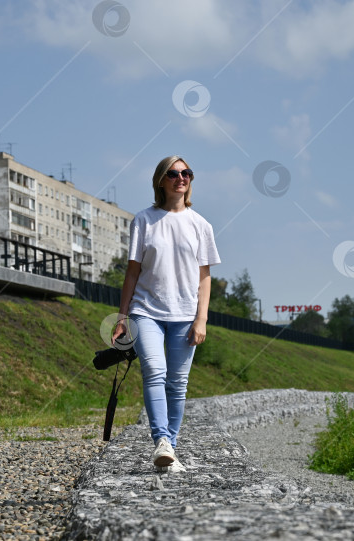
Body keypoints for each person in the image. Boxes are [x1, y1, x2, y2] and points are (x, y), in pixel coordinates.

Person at [112, 155, 221, 473]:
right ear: (161, 180)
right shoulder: (144, 220)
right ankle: (161, 440)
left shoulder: (201, 225)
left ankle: (169, 449)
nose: (181, 178)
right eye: (173, 174)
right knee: (154, 371)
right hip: (146, 311)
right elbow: (132, 272)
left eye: (186, 173)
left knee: (178, 382)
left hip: (185, 315)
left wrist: (202, 318)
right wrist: (122, 316)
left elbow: (205, 277)